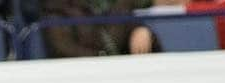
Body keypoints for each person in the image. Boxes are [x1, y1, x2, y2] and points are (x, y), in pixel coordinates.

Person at [40, 0, 182, 57]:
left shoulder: (120, 3)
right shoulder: (57, 6)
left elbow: (131, 25)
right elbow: (61, 46)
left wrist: (142, 31)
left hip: (124, 79)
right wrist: (102, 58)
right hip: (84, 81)